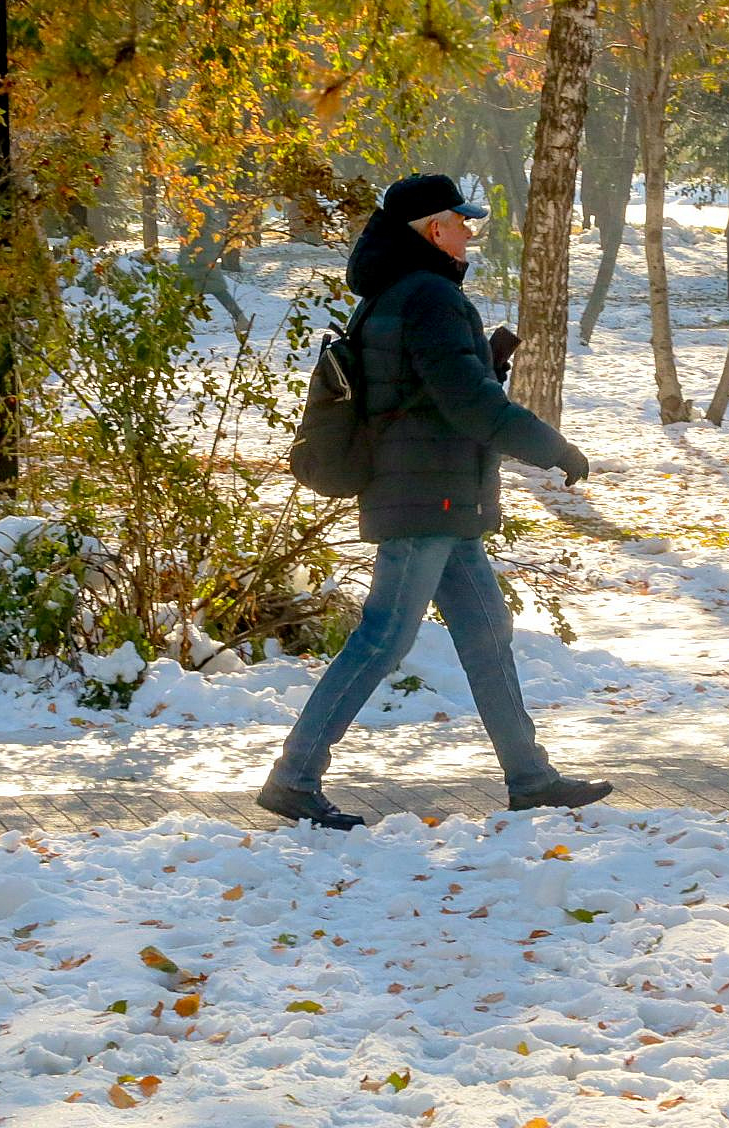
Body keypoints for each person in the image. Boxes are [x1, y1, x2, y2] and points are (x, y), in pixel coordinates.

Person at [258, 173, 610, 830]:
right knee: (382, 639)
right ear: (430, 229)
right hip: (426, 501)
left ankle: (529, 777)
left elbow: (426, 394)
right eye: (460, 220)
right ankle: (294, 777)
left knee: (486, 636)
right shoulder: (428, 298)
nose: (469, 231)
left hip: (437, 497)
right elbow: (466, 404)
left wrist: (487, 363)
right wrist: (551, 447)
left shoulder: (395, 294)